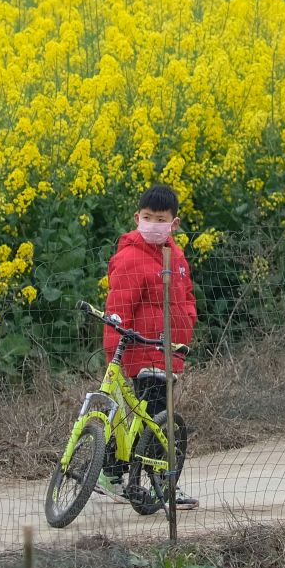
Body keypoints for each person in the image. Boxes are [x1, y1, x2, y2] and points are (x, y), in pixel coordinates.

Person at [100, 182, 198, 495]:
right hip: (144, 351)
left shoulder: (176, 257)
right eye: (147, 217)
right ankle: (161, 486)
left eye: (160, 220)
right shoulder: (131, 258)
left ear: (174, 223)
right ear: (136, 217)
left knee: (145, 419)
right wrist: (114, 352)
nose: (153, 225)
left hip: (170, 350)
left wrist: (189, 321)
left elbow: (187, 298)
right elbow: (118, 308)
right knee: (156, 419)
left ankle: (112, 475)